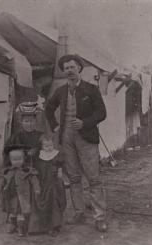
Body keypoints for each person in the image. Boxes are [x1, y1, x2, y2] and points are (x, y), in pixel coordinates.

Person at [45, 54, 108, 232]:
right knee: (73, 177)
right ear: (64, 72)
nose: (69, 71)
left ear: (79, 68)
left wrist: (85, 122)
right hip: (66, 138)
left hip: (86, 137)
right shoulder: (61, 91)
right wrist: (56, 126)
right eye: (66, 69)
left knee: (94, 178)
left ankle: (99, 217)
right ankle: (79, 212)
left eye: (72, 67)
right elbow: (49, 109)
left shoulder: (91, 89)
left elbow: (102, 113)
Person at [0, 144, 41, 237]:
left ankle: (20, 228)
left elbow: (34, 180)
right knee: (12, 212)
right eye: (14, 160)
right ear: (10, 160)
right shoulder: (7, 171)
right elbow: (3, 180)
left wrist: (37, 189)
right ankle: (12, 225)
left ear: (24, 159)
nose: (17, 162)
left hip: (23, 196)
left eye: (19, 159)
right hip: (12, 196)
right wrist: (0, 187)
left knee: (21, 213)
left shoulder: (27, 171)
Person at [36, 134, 67, 237]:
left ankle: (55, 226)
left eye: (51, 145)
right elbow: (39, 171)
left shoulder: (56, 155)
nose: (49, 148)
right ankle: (46, 225)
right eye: (46, 146)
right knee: (45, 203)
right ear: (42, 147)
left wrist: (60, 173)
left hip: (55, 183)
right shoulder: (40, 156)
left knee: (55, 202)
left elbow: (60, 167)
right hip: (44, 184)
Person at [5, 102, 43, 168]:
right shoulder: (16, 137)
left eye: (32, 121)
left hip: (38, 167)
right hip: (21, 167)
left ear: (36, 121)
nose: (29, 124)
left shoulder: (41, 136)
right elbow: (9, 155)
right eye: (26, 121)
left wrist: (36, 150)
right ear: (21, 122)